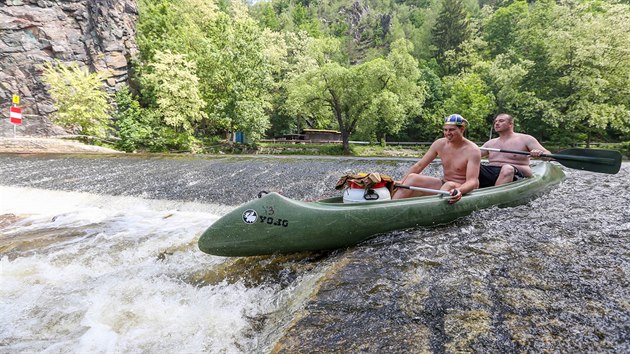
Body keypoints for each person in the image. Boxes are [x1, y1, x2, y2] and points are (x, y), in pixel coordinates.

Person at [392, 114, 480, 204]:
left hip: (462, 187)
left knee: (449, 185)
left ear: (462, 129)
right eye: (445, 130)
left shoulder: (473, 150)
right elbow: (419, 165)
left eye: (452, 130)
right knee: (412, 178)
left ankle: (434, 208)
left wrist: (459, 190)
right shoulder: (439, 144)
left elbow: (472, 181)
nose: (448, 133)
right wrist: (402, 181)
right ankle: (391, 206)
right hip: (444, 184)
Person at [479, 113, 550, 187]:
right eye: (496, 121)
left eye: (501, 121)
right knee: (472, 166)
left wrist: (539, 153)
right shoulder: (490, 143)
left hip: (515, 172)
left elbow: (548, 155)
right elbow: (473, 155)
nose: (497, 123)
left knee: (507, 168)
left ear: (510, 124)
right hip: (491, 172)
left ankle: (494, 196)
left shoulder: (526, 139)